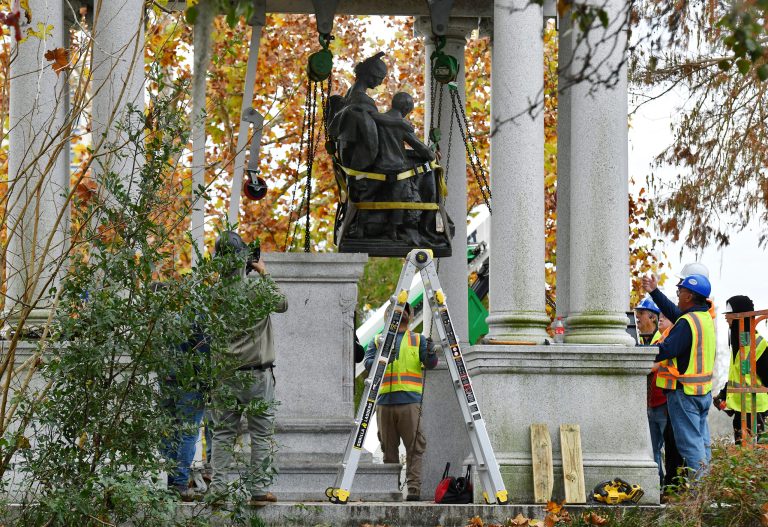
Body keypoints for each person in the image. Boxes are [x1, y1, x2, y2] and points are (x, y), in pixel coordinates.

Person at [208, 231, 288, 505]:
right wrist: (263, 273)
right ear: (245, 260)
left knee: (223, 433)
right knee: (261, 433)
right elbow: (282, 303)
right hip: (256, 375)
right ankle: (258, 489)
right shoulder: (256, 289)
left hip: (224, 376)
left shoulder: (213, 295)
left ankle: (217, 490)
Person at [642, 273, 716, 479]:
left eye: (680, 291)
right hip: (702, 393)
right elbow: (675, 313)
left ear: (689, 296)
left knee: (690, 446)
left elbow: (666, 350)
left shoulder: (686, 323)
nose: (678, 294)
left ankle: (699, 496)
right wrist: (655, 292)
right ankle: (706, 491)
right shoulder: (703, 318)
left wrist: (638, 351)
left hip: (685, 395)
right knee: (701, 444)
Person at [364, 302, 439, 501]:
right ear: (387, 315)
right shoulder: (378, 340)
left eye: (405, 310)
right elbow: (368, 364)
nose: (401, 313)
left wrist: (431, 352)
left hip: (410, 402)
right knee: (388, 449)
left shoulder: (417, 339)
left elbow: (430, 364)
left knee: (414, 448)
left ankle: (413, 490)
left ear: (411, 315)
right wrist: (384, 358)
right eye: (397, 310)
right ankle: (391, 490)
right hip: (384, 403)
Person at [712, 295, 768, 444]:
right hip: (741, 409)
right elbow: (738, 375)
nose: (726, 319)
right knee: (742, 453)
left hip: (756, 410)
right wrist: (724, 394)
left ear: (740, 316)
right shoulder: (739, 344)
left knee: (752, 454)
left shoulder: (758, 344)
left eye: (730, 315)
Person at [635, 297, 665, 485]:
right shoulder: (643, 341)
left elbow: (656, 365)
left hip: (662, 401)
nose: (637, 319)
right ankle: (656, 484)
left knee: (666, 446)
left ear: (653, 318)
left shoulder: (659, 340)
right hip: (649, 403)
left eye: (641, 315)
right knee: (651, 448)